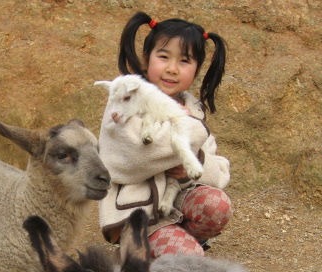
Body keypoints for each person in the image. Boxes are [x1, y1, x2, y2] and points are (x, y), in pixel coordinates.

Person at [98, 11, 232, 257]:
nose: (172, 69)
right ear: (146, 58)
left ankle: (174, 243)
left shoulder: (191, 108)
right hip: (138, 214)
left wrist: (196, 164)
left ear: (197, 69)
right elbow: (133, 159)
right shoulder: (124, 99)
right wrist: (186, 139)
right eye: (163, 57)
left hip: (173, 201)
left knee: (218, 206)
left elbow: (219, 170)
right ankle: (140, 251)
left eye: (184, 61)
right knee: (189, 260)